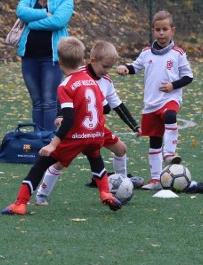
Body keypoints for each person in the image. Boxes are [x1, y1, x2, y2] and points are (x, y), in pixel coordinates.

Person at [1, 37, 122, 216]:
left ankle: (20, 203)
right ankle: (105, 193)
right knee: (95, 159)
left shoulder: (65, 85)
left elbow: (69, 118)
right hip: (96, 134)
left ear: (58, 61)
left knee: (40, 165)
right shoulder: (92, 81)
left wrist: (53, 144)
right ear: (83, 60)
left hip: (77, 136)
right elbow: (105, 108)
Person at [34, 41, 143, 205]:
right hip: (76, 129)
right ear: (92, 60)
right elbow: (63, 95)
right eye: (105, 66)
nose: (107, 71)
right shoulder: (78, 75)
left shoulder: (106, 80)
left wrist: (134, 125)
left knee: (121, 149)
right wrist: (60, 115)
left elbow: (117, 105)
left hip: (97, 128)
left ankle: (122, 183)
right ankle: (42, 193)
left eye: (110, 68)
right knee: (59, 163)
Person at [115, 10, 194, 190]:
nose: (161, 33)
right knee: (154, 141)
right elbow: (135, 67)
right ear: (153, 31)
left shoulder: (178, 53)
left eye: (165, 29)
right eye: (158, 29)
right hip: (150, 104)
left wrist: (173, 85)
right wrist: (125, 68)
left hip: (170, 99)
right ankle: (156, 180)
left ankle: (169, 153)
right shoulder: (146, 53)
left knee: (170, 116)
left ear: (172, 30)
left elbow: (188, 77)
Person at [15, 0, 73, 131]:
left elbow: (59, 21)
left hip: (52, 57)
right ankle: (38, 139)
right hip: (29, 57)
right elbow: (21, 12)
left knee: (49, 102)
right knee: (37, 102)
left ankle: (49, 142)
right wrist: (44, 13)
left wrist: (32, 23)